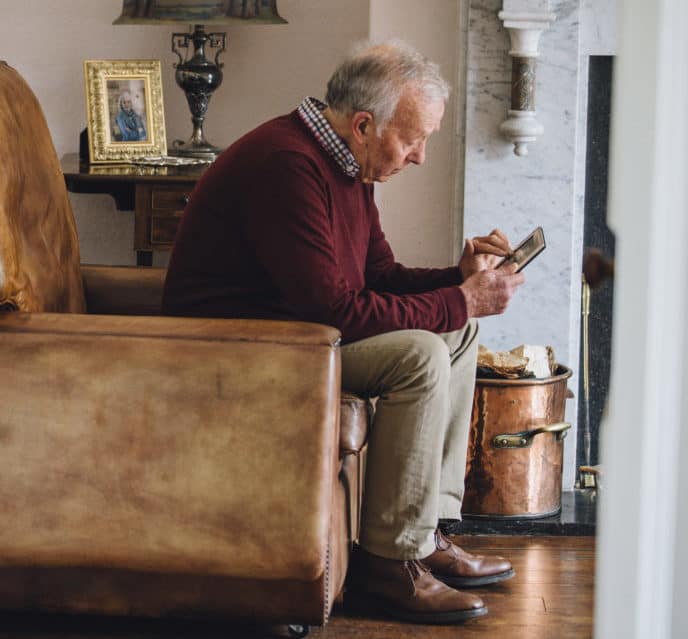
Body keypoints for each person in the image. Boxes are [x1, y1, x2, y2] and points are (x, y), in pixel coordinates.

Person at [162, 40, 525, 625]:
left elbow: (377, 276)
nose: (420, 156)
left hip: (296, 332)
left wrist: (457, 281)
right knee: (423, 353)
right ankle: (388, 562)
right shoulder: (287, 165)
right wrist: (459, 299)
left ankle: (425, 530)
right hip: (238, 347)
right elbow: (335, 309)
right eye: (413, 139)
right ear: (364, 124)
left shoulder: (346, 162)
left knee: (457, 334)